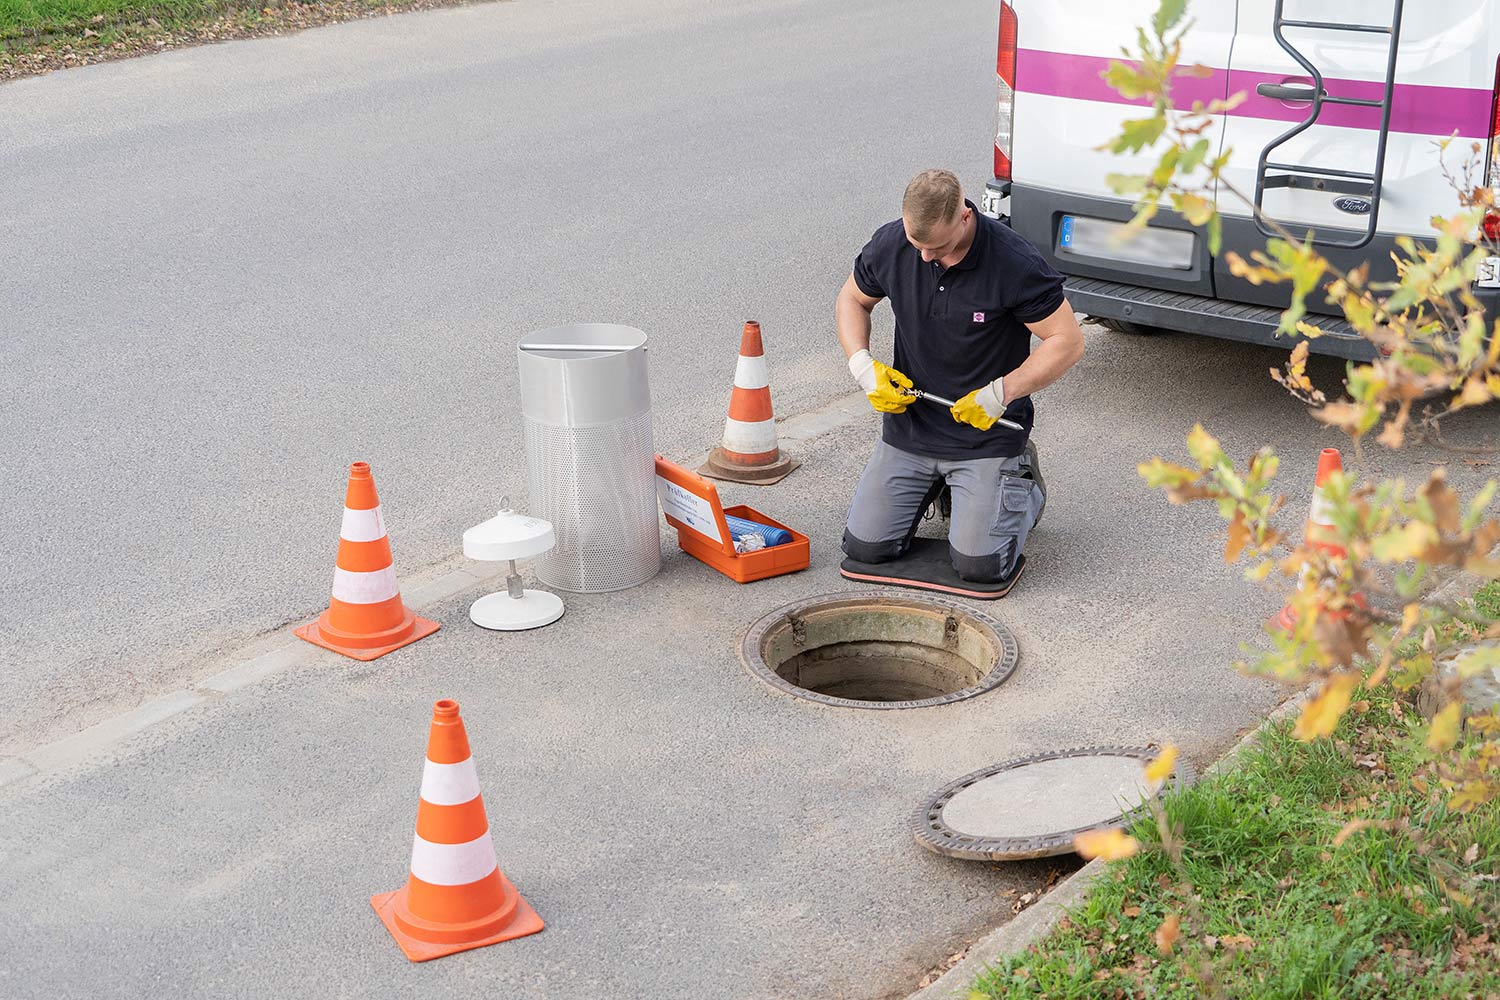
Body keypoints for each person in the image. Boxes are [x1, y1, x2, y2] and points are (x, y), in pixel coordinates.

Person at [837, 169, 1085, 583]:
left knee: (980, 566)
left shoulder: (1013, 262)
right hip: (912, 429)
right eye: (917, 245)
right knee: (866, 549)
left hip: (986, 434)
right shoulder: (893, 244)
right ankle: (937, 486)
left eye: (938, 246)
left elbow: (1067, 341)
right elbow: (852, 299)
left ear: (965, 217)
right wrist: (862, 366)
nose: (926, 259)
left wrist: (1002, 393)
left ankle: (1022, 479)